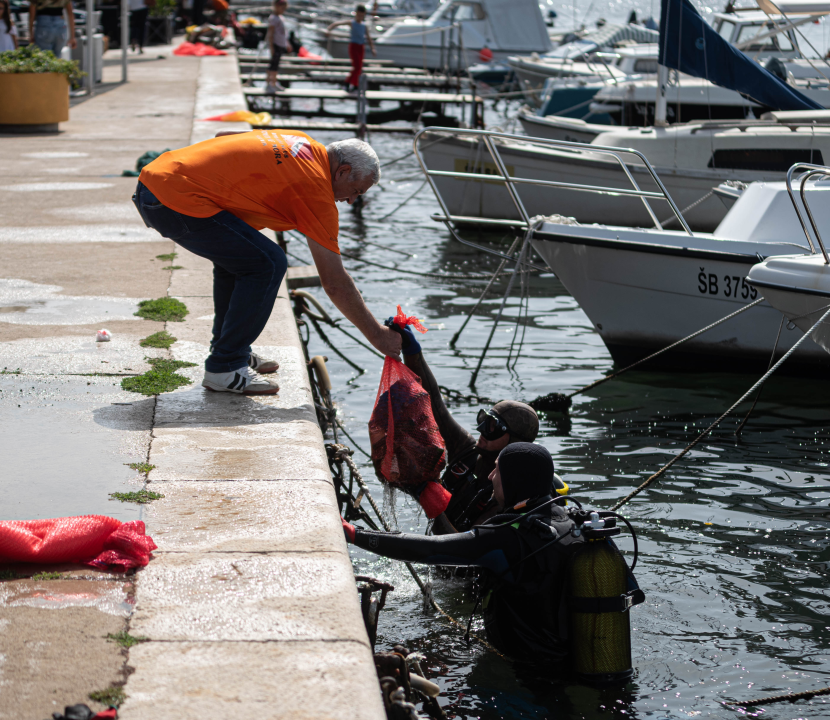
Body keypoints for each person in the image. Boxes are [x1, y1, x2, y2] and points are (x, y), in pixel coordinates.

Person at [133, 132, 402, 395]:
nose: (351, 200)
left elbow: (224, 135)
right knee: (268, 263)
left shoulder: (300, 141)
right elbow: (334, 282)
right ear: (342, 171)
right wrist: (378, 335)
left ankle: (230, 349)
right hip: (170, 200)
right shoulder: (315, 190)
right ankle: (224, 367)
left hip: (156, 182)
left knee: (241, 260)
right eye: (356, 190)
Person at [342, 443, 584, 659]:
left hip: (524, 672)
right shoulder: (573, 524)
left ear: (513, 478)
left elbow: (427, 549)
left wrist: (354, 534)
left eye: (497, 469)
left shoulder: (506, 536)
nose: (490, 476)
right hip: (569, 657)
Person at [385, 320, 557, 533]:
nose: (482, 431)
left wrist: (432, 506)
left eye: (493, 426)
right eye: (483, 419)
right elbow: (434, 403)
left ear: (514, 442)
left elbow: (463, 551)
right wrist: (413, 352)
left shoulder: (509, 496)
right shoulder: (467, 452)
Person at [327, 4, 375, 94]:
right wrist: (329, 29)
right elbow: (336, 23)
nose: (360, 17)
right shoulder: (352, 23)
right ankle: (348, 83)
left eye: (362, 15)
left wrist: (372, 48)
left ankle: (354, 85)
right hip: (354, 46)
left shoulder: (364, 26)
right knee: (356, 66)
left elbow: (368, 38)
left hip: (361, 47)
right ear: (356, 13)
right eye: (359, 15)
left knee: (359, 67)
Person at [264, 0, 290, 94]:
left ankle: (274, 83)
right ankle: (270, 84)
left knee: (275, 65)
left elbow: (283, 33)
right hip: (276, 44)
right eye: (282, 8)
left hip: (281, 44)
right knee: (273, 66)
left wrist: (287, 44)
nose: (283, 10)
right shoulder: (274, 18)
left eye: (284, 9)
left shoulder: (280, 17)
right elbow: (270, 33)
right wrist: (271, 47)